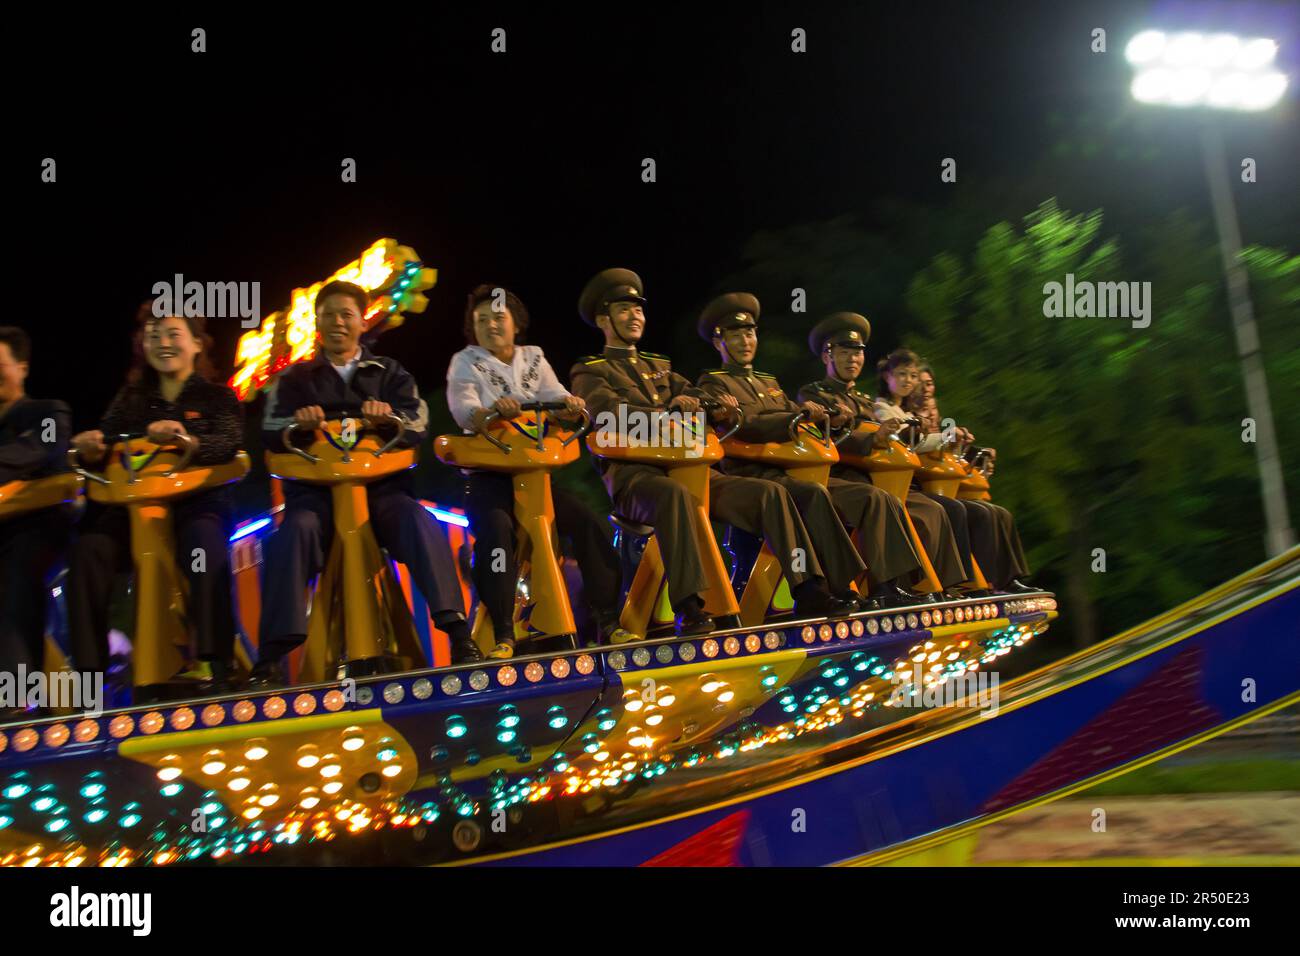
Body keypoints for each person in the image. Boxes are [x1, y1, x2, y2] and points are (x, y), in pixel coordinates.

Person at [569, 269, 855, 637]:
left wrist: (715, 407)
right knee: (674, 496)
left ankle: (811, 589)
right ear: (603, 319)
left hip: (696, 473)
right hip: (635, 477)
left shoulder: (662, 368)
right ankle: (690, 607)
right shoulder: (591, 370)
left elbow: (702, 401)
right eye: (624, 310)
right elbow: (607, 416)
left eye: (638, 309)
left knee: (771, 493)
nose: (635, 316)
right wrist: (670, 413)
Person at [251, 280, 481, 687]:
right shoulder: (294, 379)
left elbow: (418, 422)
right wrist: (298, 424)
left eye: (347, 315)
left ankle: (457, 631)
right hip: (316, 496)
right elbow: (270, 428)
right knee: (292, 533)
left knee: (418, 522)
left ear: (361, 322)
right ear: (317, 323)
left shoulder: (390, 373)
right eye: (329, 315)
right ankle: (271, 656)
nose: (338, 322)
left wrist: (388, 418)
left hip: (382, 492)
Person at [692, 294, 921, 609]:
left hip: (789, 470)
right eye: (735, 334)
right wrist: (795, 416)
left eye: (750, 333)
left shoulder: (768, 382)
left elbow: (798, 420)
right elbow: (750, 426)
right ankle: (817, 590)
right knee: (810, 494)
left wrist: (827, 419)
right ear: (719, 342)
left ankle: (882, 586)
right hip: (748, 471)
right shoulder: (714, 384)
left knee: (862, 496)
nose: (746, 340)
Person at [446, 284, 631, 658]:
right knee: (496, 532)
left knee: (588, 522)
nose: (490, 326)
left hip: (535, 478)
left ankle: (609, 620)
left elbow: (557, 395)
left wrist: (570, 406)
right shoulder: (465, 361)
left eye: (498, 318)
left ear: (516, 323)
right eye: (481, 321)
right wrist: (489, 411)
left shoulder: (533, 358)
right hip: (490, 477)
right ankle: (502, 631)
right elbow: (463, 407)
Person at [66, 307, 242, 693]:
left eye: (173, 334)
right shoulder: (131, 399)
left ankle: (214, 660)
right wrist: (91, 448)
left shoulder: (217, 397)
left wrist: (187, 440)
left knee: (204, 548)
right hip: (134, 513)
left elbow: (228, 443)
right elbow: (108, 441)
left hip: (197, 507)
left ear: (197, 343)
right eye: (153, 335)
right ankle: (91, 673)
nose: (163, 343)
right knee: (88, 552)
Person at [797, 315, 969, 596]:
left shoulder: (865, 401)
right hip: (838, 476)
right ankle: (886, 588)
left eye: (857, 353)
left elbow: (892, 438)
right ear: (828, 356)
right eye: (844, 353)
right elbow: (826, 436)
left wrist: (921, 436)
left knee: (933, 510)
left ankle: (944, 587)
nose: (853, 359)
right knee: (880, 500)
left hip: (877, 476)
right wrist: (873, 438)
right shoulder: (814, 395)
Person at [873, 348, 1009, 595]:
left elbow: (922, 438)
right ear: (887, 376)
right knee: (950, 509)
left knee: (992, 512)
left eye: (912, 375)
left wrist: (962, 444)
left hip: (916, 480)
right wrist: (946, 436)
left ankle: (998, 580)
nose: (908, 381)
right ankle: (953, 583)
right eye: (902, 374)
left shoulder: (904, 412)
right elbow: (908, 440)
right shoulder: (882, 410)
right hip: (899, 482)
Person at [906, 361, 1032, 591]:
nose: (925, 390)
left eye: (929, 384)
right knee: (964, 510)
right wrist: (945, 438)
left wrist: (974, 455)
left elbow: (944, 454)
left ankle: (1006, 579)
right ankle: (967, 582)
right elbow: (922, 447)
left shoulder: (934, 423)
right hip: (918, 486)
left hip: (943, 485)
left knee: (997, 513)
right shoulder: (907, 420)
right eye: (919, 384)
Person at [0, 326, 73, 719]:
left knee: (15, 574)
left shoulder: (47, 412)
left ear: (22, 367)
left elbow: (43, 449)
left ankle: (12, 702)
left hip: (39, 528)